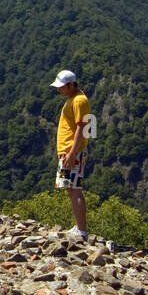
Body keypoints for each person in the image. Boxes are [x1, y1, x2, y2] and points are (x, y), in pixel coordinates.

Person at [50, 69, 91, 240]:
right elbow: (89, 128)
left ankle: (81, 230)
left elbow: (83, 128)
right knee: (71, 188)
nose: (59, 89)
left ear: (71, 85)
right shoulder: (74, 99)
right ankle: (78, 227)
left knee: (74, 189)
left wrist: (73, 152)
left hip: (71, 152)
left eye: (62, 86)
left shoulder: (79, 101)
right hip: (69, 151)